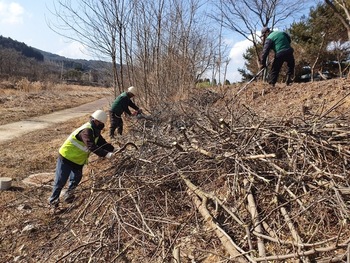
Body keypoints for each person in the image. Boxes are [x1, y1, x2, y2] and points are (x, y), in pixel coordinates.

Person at [49, 110, 115, 206]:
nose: (101, 125)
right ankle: (53, 201)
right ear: (96, 121)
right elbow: (91, 146)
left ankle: (68, 195)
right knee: (61, 180)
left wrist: (114, 149)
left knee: (76, 178)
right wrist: (106, 154)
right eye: (100, 123)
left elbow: (102, 143)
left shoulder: (95, 131)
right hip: (66, 156)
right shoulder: (86, 131)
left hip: (77, 160)